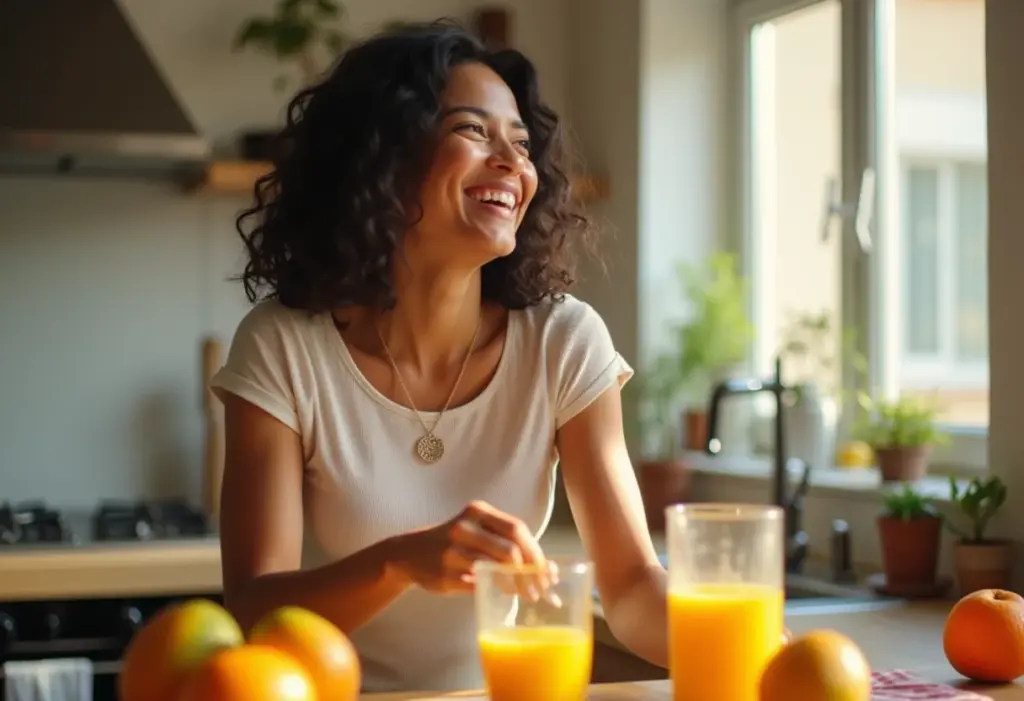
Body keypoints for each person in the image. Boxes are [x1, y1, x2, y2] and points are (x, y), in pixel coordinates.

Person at [210, 20, 668, 693]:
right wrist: (397, 562)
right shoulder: (283, 346)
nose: (513, 163)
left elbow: (630, 587)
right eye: (473, 131)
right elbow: (254, 611)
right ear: (384, 159)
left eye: (520, 142)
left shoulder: (565, 342)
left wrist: (752, 653)